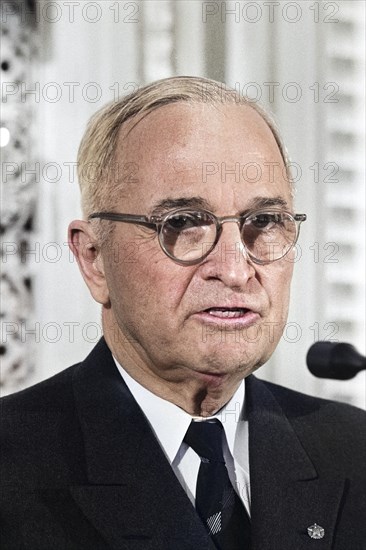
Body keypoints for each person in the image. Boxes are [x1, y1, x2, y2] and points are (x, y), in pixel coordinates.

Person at [1, 76, 365, 550]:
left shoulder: (354, 451)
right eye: (184, 223)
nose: (235, 270)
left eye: (265, 222)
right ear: (94, 259)